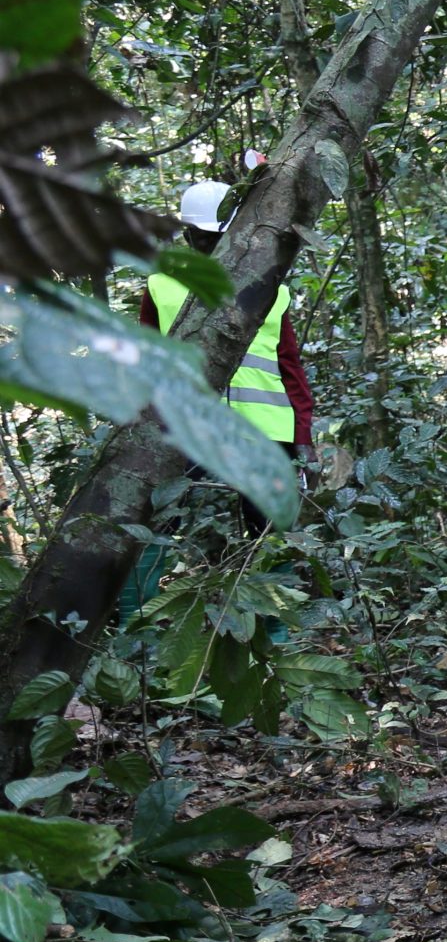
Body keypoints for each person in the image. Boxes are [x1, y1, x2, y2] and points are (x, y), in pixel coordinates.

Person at [123, 163, 316, 625]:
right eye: (199, 237)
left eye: (215, 236)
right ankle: (137, 630)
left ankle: (276, 638)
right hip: (188, 428)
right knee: (158, 525)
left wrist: (304, 436)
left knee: (269, 536)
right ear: (186, 235)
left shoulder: (271, 288)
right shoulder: (161, 284)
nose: (207, 245)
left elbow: (289, 365)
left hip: (264, 430)